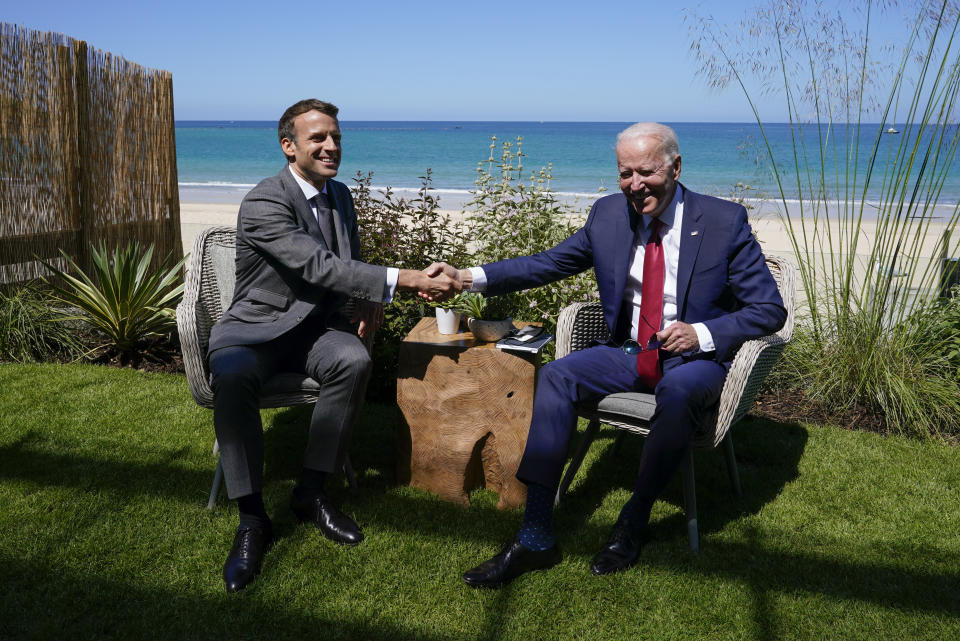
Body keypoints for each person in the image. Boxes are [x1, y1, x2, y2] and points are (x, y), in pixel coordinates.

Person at [429, 122, 787, 587]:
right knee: (557, 376)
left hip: (693, 363)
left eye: (646, 172)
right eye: (624, 174)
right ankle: (536, 534)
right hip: (629, 353)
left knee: (678, 392)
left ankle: (633, 520)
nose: (635, 186)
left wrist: (701, 333)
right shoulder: (608, 216)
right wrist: (466, 276)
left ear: (676, 168)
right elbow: (546, 263)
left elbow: (769, 309)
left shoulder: (722, 221)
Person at [207, 98, 460, 593]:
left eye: (336, 137)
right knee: (233, 377)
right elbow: (319, 265)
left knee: (352, 359)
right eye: (318, 137)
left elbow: (350, 261)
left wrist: (368, 304)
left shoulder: (340, 196)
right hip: (255, 332)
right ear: (289, 146)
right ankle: (252, 519)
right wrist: (407, 279)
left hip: (315, 331)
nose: (331, 146)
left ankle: (312, 490)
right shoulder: (265, 201)